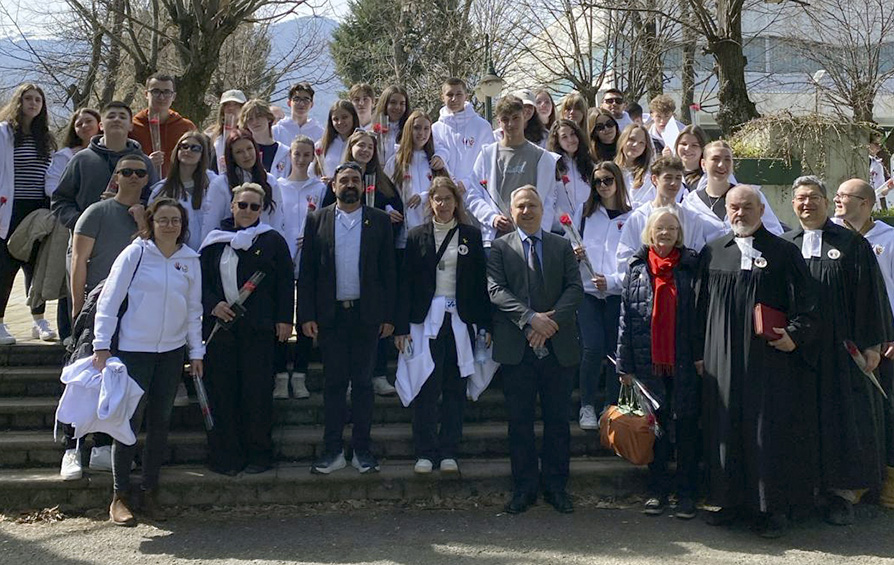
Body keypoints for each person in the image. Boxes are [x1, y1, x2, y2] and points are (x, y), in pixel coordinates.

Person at [699, 184, 819, 538]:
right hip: (721, 362)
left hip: (768, 363)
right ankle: (730, 501)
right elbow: (698, 308)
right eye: (733, 208)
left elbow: (809, 305)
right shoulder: (712, 252)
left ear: (761, 210)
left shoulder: (783, 253)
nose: (740, 214)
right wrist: (697, 355)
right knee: (726, 426)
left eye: (747, 207)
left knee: (766, 431)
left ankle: (771, 509)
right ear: (726, 211)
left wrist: (794, 335)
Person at [781, 176, 891, 526]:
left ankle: (840, 494)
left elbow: (870, 295)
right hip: (796, 352)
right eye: (800, 198)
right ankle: (803, 491)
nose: (806, 204)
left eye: (814, 197)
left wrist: (873, 343)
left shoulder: (851, 244)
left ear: (827, 203)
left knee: (840, 420)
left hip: (840, 351)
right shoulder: (785, 245)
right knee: (801, 420)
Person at [93, 198, 204, 526]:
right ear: (151, 223)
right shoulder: (136, 254)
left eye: (176, 220)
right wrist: (101, 346)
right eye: (163, 220)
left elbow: (194, 310)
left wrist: (195, 353)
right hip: (133, 352)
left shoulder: (190, 260)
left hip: (171, 354)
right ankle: (120, 495)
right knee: (128, 424)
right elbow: (109, 301)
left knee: (160, 422)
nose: (170, 226)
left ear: (183, 225)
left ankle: (149, 491)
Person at [488, 186, 583, 514]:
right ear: (511, 212)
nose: (526, 211)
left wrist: (549, 324)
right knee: (520, 421)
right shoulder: (499, 248)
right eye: (520, 206)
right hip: (518, 346)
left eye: (532, 205)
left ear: (543, 209)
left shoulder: (561, 246)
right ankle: (524, 488)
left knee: (558, 421)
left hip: (558, 346)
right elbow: (495, 290)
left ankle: (556, 487)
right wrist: (530, 320)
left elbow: (575, 287)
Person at [298, 162, 397, 475]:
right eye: (344, 180)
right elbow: (308, 272)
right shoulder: (317, 220)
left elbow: (388, 271)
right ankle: (332, 451)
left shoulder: (379, 221)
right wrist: (307, 314)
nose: (350, 184)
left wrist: (389, 316)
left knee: (364, 384)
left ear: (363, 185)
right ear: (334, 186)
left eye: (355, 179)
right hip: (331, 317)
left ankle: (362, 450)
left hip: (367, 316)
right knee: (334, 384)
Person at [394, 177, 490, 474]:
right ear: (430, 202)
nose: (443, 205)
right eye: (438, 199)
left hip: (460, 320)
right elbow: (405, 284)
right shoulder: (416, 235)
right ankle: (424, 451)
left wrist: (485, 325)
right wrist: (401, 328)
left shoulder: (470, 237)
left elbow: (479, 284)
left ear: (456, 203)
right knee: (426, 384)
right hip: (425, 321)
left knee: (454, 385)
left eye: (449, 199)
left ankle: (449, 450)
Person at [63, 154, 150, 478]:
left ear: (145, 178)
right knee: (83, 381)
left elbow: (155, 253)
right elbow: (78, 262)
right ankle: (71, 449)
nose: (132, 176)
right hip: (95, 308)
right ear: (115, 176)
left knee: (116, 381)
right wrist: (76, 306)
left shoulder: (150, 217)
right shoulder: (96, 212)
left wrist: (142, 223)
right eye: (125, 171)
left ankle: (101, 446)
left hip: (132, 312)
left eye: (139, 172)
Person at [200, 182, 294, 476]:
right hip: (220, 329)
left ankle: (259, 455)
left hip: (259, 329)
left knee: (256, 394)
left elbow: (284, 282)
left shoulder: (272, 240)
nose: (248, 211)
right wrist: (213, 305)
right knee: (223, 393)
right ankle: (226, 457)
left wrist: (284, 319)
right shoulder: (214, 241)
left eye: (255, 206)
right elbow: (199, 283)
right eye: (243, 205)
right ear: (232, 206)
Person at [617, 206, 703, 519]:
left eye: (671, 228)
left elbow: (701, 317)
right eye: (659, 228)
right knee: (657, 431)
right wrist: (624, 366)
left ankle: (687, 496)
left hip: (683, 363)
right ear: (649, 233)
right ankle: (656, 492)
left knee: (687, 430)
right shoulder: (637, 268)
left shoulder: (692, 266)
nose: (665, 233)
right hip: (647, 362)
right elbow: (626, 318)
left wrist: (700, 356)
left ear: (679, 234)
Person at [833, 178, 894, 509]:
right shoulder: (831, 236)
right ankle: (855, 478)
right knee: (852, 409)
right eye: (837, 195)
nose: (838, 200)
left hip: (885, 335)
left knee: (888, 408)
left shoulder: (889, 239)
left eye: (846, 196)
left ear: (867, 203)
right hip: (846, 334)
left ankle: (889, 481)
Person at [570, 161, 631, 428]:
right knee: (592, 347)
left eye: (608, 180)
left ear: (618, 181)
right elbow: (568, 244)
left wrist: (614, 281)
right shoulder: (584, 214)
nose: (603, 186)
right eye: (598, 182)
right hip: (588, 293)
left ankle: (610, 404)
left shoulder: (632, 217)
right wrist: (574, 255)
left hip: (616, 294)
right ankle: (586, 405)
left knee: (613, 351)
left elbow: (635, 264)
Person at [0, 83, 58, 344]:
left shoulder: (45, 138)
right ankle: (1, 322)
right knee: (5, 266)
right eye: (28, 98)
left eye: (38, 99)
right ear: (19, 102)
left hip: (38, 211)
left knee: (36, 267)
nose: (33, 103)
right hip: (9, 209)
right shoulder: (5, 134)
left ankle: (38, 320)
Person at [468, 95, 560, 249]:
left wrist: (540, 234)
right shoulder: (487, 155)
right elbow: (472, 194)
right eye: (505, 119)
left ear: (524, 116)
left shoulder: (542, 157)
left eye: (515, 118)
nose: (511, 124)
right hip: (496, 240)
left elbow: (548, 201)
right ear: (499, 122)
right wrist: (491, 218)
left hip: (531, 241)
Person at [274, 136, 327, 400]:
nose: (302, 159)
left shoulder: (318, 188)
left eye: (307, 155)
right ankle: (281, 375)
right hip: (282, 259)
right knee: (282, 317)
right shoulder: (277, 186)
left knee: (306, 317)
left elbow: (324, 221)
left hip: (309, 260)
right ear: (289, 156)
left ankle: (301, 374)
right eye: (298, 154)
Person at [52, 101, 157, 232]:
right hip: (86, 241)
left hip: (131, 238)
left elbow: (155, 202)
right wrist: (83, 222)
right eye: (111, 116)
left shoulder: (144, 163)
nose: (117, 119)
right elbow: (60, 201)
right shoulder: (81, 160)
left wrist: (132, 206)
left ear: (130, 126)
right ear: (101, 125)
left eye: (122, 117)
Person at [45, 107, 102, 341]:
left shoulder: (116, 154)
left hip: (104, 225)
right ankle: (68, 331)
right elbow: (54, 189)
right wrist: (77, 216)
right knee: (70, 276)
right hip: (73, 224)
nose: (84, 127)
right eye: (79, 124)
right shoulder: (66, 155)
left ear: (99, 124)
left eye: (89, 121)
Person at [617, 156, 709, 266]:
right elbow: (625, 255)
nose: (674, 183)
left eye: (678, 178)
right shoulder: (638, 217)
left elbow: (698, 254)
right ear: (655, 179)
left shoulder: (691, 219)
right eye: (668, 178)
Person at [682, 141, 782, 238]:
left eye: (727, 159)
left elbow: (775, 231)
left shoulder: (751, 196)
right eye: (715, 159)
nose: (721, 165)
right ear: (703, 164)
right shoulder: (691, 203)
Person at [203, 129, 285, 241]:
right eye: (239, 152)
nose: (246, 155)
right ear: (231, 156)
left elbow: (277, 222)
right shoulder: (220, 184)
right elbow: (210, 224)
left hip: (264, 247)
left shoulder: (270, 181)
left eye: (249, 148)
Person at [149, 131, 215, 251]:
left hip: (209, 253)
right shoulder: (161, 190)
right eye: (184, 146)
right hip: (176, 255)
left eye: (195, 148)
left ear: (202, 154)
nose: (188, 150)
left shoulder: (214, 184)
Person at [431, 77, 495, 196]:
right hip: (446, 196)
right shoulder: (435, 129)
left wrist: (466, 183)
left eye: (459, 94)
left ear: (466, 96)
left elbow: (488, 162)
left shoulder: (482, 127)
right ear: (442, 97)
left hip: (475, 193)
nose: (454, 99)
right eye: (449, 94)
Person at [387, 110, 447, 234]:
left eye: (426, 129)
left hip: (433, 232)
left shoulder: (435, 161)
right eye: (417, 128)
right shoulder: (395, 161)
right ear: (409, 130)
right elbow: (384, 192)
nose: (422, 133)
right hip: (403, 234)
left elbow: (448, 190)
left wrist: (424, 197)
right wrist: (388, 210)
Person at [129, 73, 197, 176]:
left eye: (167, 92)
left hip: (176, 186)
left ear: (173, 96)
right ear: (146, 94)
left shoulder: (186, 127)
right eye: (156, 91)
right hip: (140, 186)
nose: (161, 97)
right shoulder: (133, 126)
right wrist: (147, 163)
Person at [547, 119, 593, 224]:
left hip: (587, 223)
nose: (570, 139)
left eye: (573, 134)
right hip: (561, 228)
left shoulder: (589, 163)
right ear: (557, 141)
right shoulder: (552, 165)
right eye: (564, 137)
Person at [239, 99, 290, 178]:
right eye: (250, 119)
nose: (255, 122)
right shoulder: (243, 151)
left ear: (269, 118)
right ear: (246, 124)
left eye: (259, 116)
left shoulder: (285, 152)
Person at [313, 100, 359, 181]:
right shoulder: (321, 145)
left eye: (345, 117)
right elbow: (313, 173)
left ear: (353, 117)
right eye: (335, 119)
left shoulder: (362, 143)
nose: (340, 122)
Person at [614, 124, 655, 208]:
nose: (636, 145)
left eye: (641, 142)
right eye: (632, 139)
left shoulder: (650, 174)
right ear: (623, 140)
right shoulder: (611, 170)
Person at [273, 82, 324, 146]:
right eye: (297, 99)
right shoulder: (277, 131)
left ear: (312, 104)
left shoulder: (319, 132)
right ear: (289, 103)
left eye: (306, 100)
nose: (301, 104)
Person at [208, 90, 247, 173]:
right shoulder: (210, 134)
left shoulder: (249, 133)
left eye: (236, 104)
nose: (231, 108)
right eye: (227, 104)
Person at [372, 85, 410, 166]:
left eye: (402, 103)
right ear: (385, 104)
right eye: (393, 102)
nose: (397, 107)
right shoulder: (373, 128)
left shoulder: (410, 130)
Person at [674, 124, 709, 190]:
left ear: (702, 148)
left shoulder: (708, 176)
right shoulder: (669, 171)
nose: (687, 148)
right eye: (684, 144)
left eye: (694, 145)